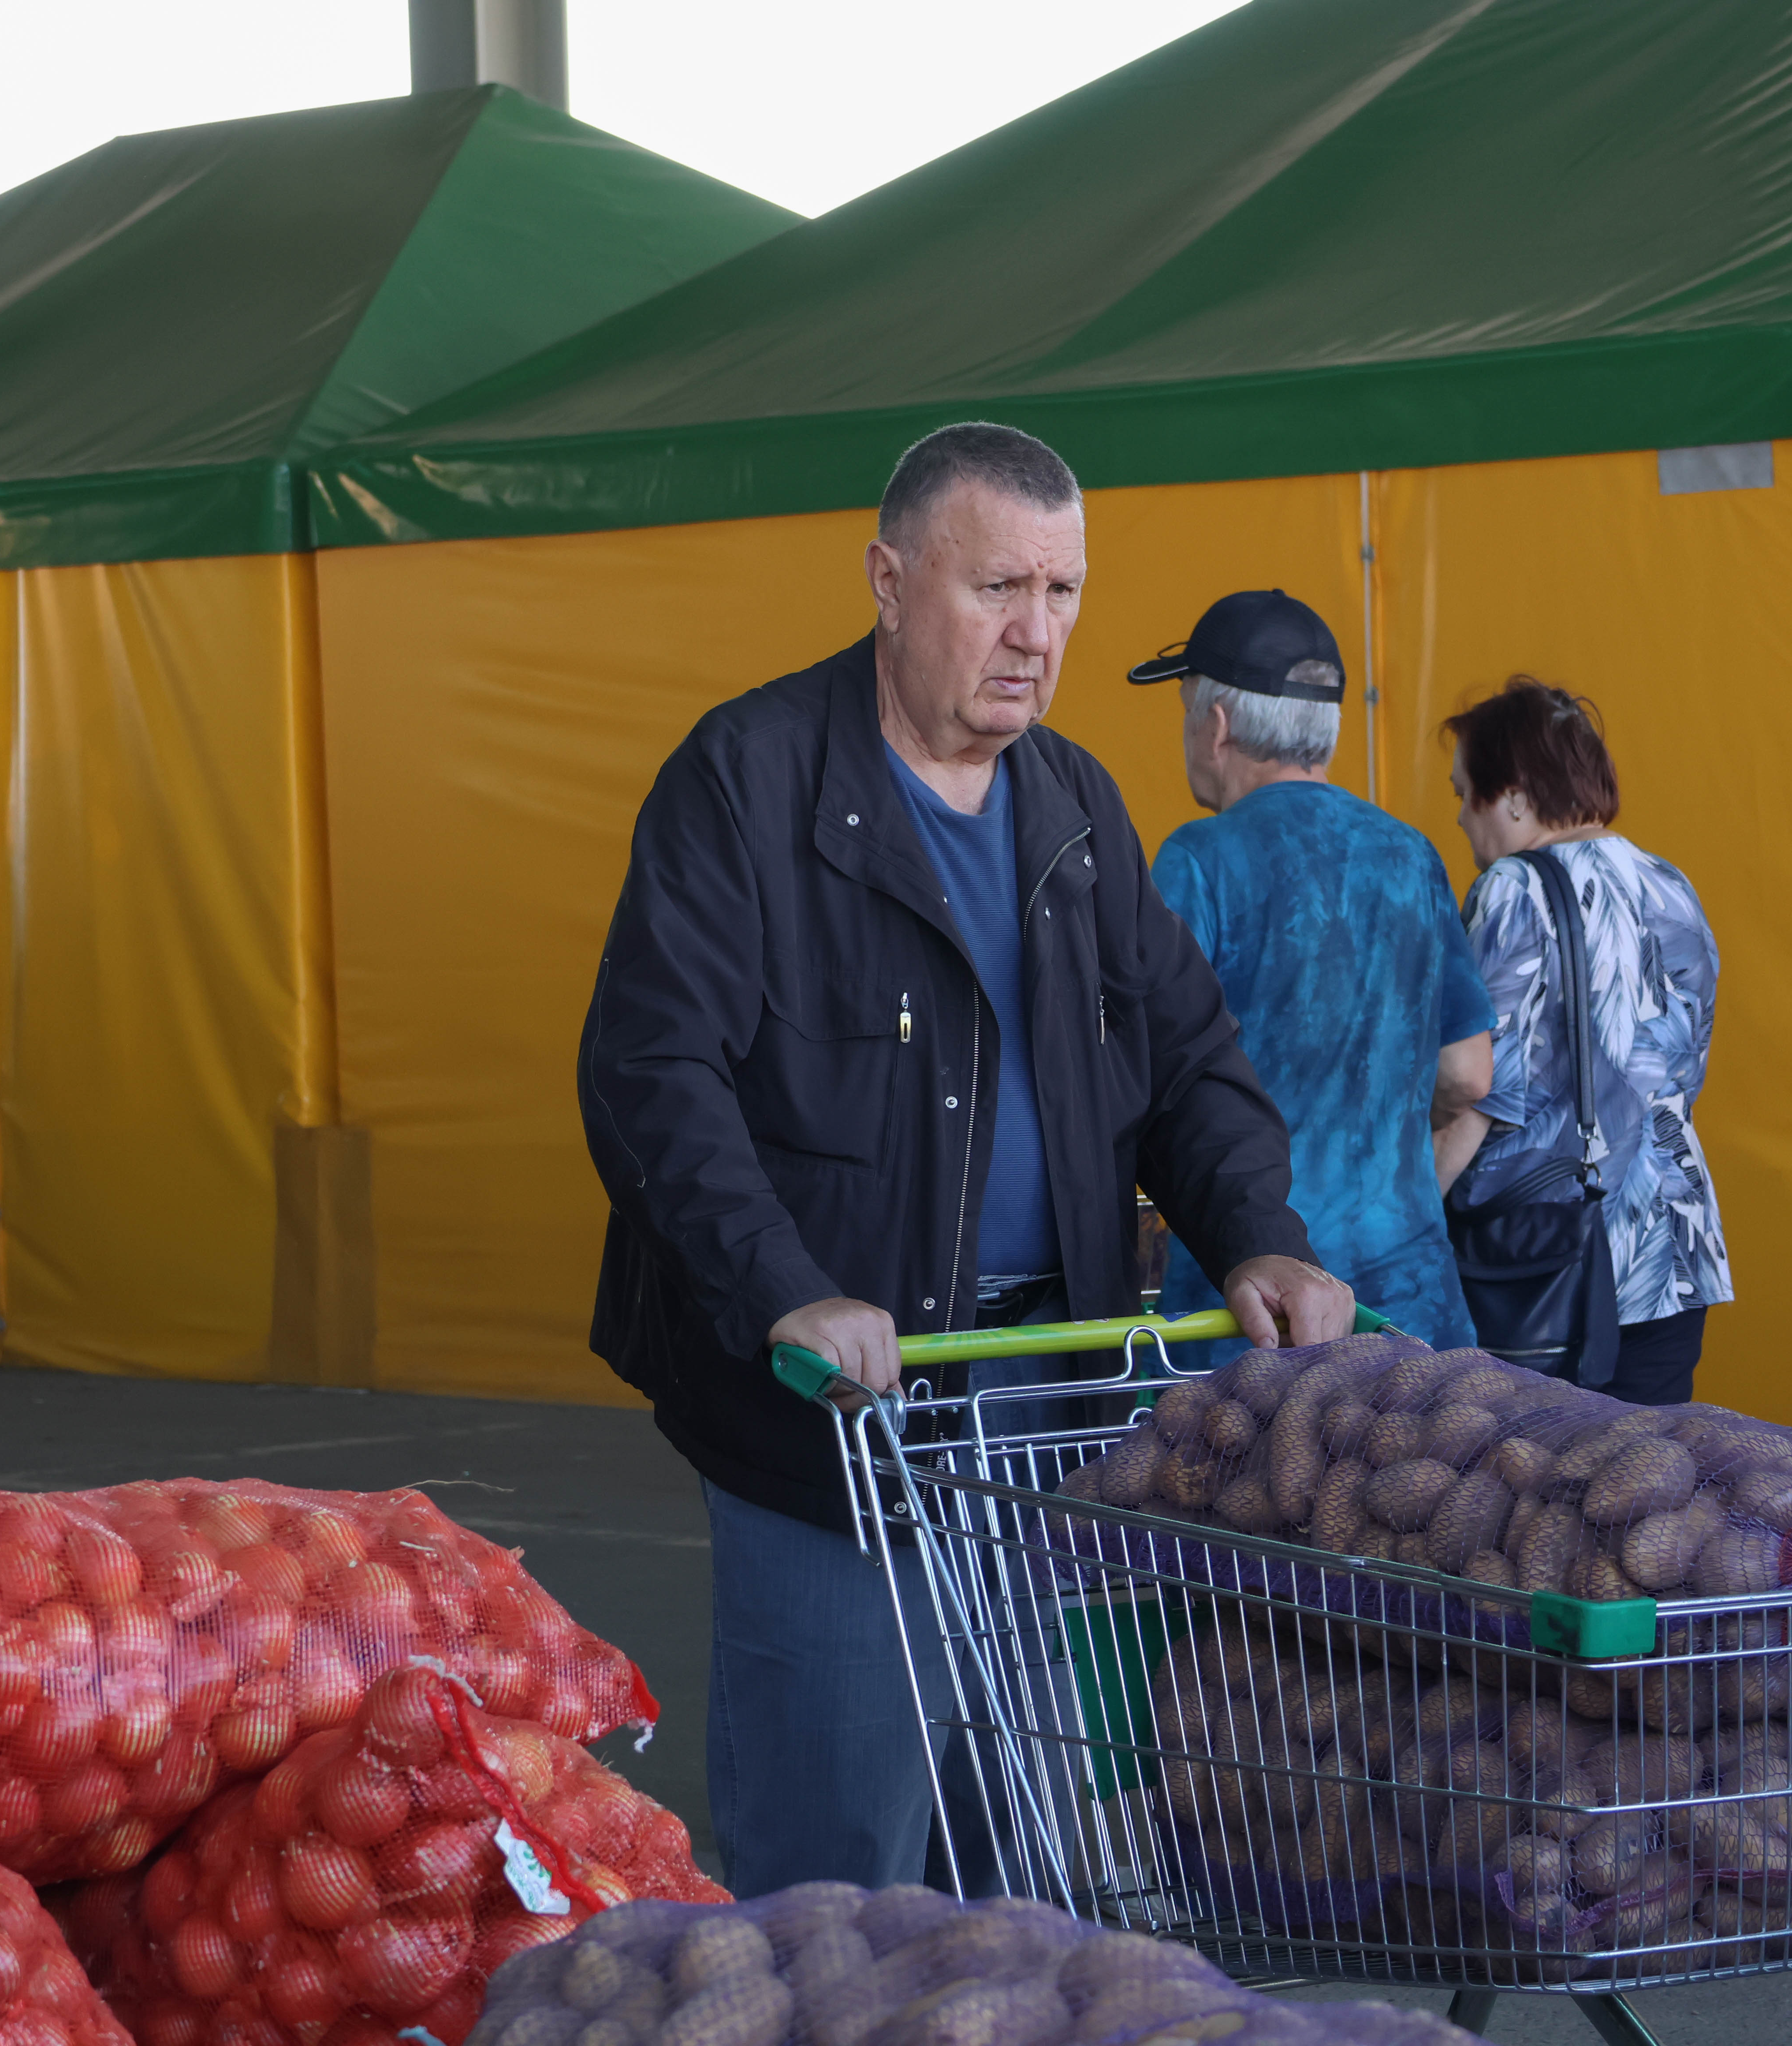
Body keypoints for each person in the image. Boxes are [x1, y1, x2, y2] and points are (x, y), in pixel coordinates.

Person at [579, 422, 1353, 1897]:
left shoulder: (1074, 805)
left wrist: (1260, 1232)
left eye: (1062, 593)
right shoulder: (747, 782)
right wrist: (784, 1288)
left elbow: (1187, 1056)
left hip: (1037, 1420)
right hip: (840, 1427)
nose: (1035, 633)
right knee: (846, 1868)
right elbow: (651, 1075)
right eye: (997, 586)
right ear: (888, 581)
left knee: (1024, 1860)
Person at [1129, 590, 1494, 1352]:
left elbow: (1144, 1065)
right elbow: (1467, 1074)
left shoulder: (1200, 859)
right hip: (1409, 1297)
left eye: (1187, 713)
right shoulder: (1411, 854)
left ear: (1217, 725)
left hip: (1252, 1309)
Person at [1436, 678, 1731, 1406]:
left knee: (1528, 1471)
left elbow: (1479, 1090)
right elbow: (1682, 1070)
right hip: (1673, 1254)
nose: (1462, 819)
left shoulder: (1514, 889)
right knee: (1647, 1470)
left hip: (1545, 1267)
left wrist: (1405, 1219)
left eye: (1465, 795)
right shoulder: (1670, 884)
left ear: (1513, 797)